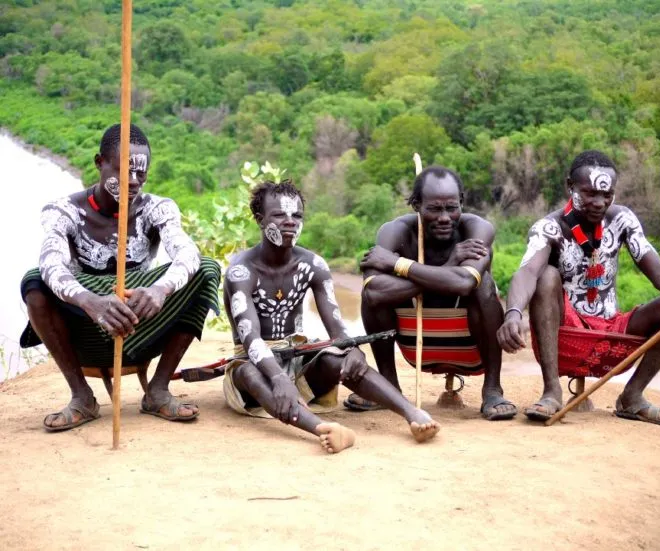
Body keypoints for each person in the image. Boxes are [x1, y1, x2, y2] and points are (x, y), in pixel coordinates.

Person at [496, 150, 660, 424]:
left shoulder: (622, 220)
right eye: (589, 193)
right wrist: (513, 312)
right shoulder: (549, 228)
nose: (599, 203)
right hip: (565, 329)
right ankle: (552, 392)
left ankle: (631, 397)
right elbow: (527, 271)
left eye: (607, 195)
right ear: (569, 186)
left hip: (612, 327)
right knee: (547, 275)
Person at [20, 123, 221, 431]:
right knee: (34, 281)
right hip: (88, 326)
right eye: (122, 170)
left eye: (141, 173)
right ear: (99, 162)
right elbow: (51, 263)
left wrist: (159, 290)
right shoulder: (64, 211)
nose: (133, 181)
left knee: (206, 269)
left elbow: (187, 253)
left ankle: (158, 390)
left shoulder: (158, 209)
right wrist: (92, 302)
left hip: (142, 324)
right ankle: (81, 397)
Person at [222, 180, 440, 454]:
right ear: (259, 218)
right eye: (279, 215)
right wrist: (278, 378)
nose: (289, 222)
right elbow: (250, 336)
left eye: (297, 215)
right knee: (249, 373)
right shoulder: (241, 270)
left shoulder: (313, 265)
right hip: (253, 363)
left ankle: (412, 414)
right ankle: (321, 428)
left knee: (340, 359)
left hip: (297, 356)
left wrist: (352, 349)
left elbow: (336, 327)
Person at [351, 165, 515, 420]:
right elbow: (372, 293)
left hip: (467, 336)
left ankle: (492, 389)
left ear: (461, 202)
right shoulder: (395, 231)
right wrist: (448, 267)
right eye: (434, 209)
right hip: (414, 334)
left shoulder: (478, 229)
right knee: (374, 295)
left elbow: (463, 284)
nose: (444, 217)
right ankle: (388, 384)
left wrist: (397, 265)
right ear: (416, 204)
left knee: (483, 284)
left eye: (452, 208)